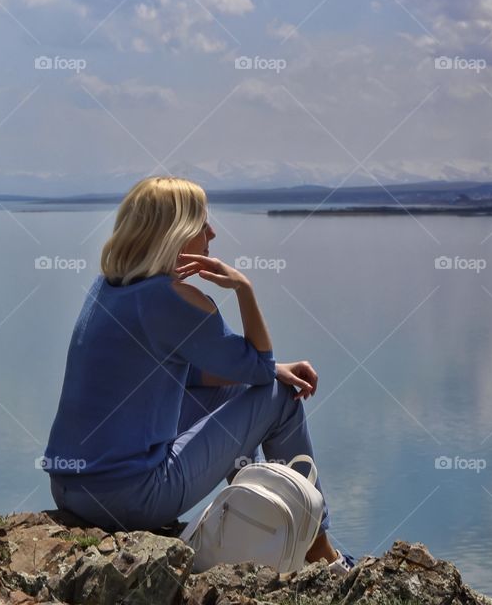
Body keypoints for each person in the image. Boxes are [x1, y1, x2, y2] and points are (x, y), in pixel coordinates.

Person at [42, 175, 354, 572]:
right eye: (201, 223)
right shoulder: (173, 298)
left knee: (239, 391)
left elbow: (184, 376)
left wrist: (272, 369)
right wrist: (244, 289)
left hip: (70, 489)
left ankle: (255, 511)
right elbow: (259, 371)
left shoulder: (109, 287)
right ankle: (319, 550)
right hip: (132, 499)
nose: (212, 232)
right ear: (175, 232)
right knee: (280, 398)